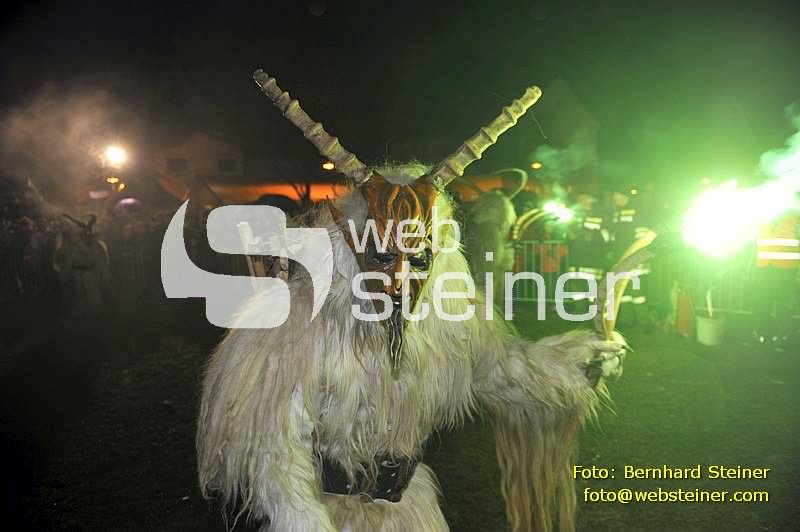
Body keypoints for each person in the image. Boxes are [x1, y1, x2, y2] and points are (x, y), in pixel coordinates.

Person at [196, 71, 626, 531]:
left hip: (408, 509)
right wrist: (299, 515)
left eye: (417, 258)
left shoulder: (449, 317)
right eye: (384, 256)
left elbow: (498, 371)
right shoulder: (298, 319)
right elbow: (262, 435)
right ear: (351, 245)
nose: (400, 277)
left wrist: (575, 365)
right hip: (326, 511)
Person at [752, 210, 800, 347]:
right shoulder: (762, 217)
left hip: (786, 271)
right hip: (763, 269)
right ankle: (760, 336)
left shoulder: (795, 217)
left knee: (783, 305)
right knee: (761, 303)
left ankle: (781, 337)